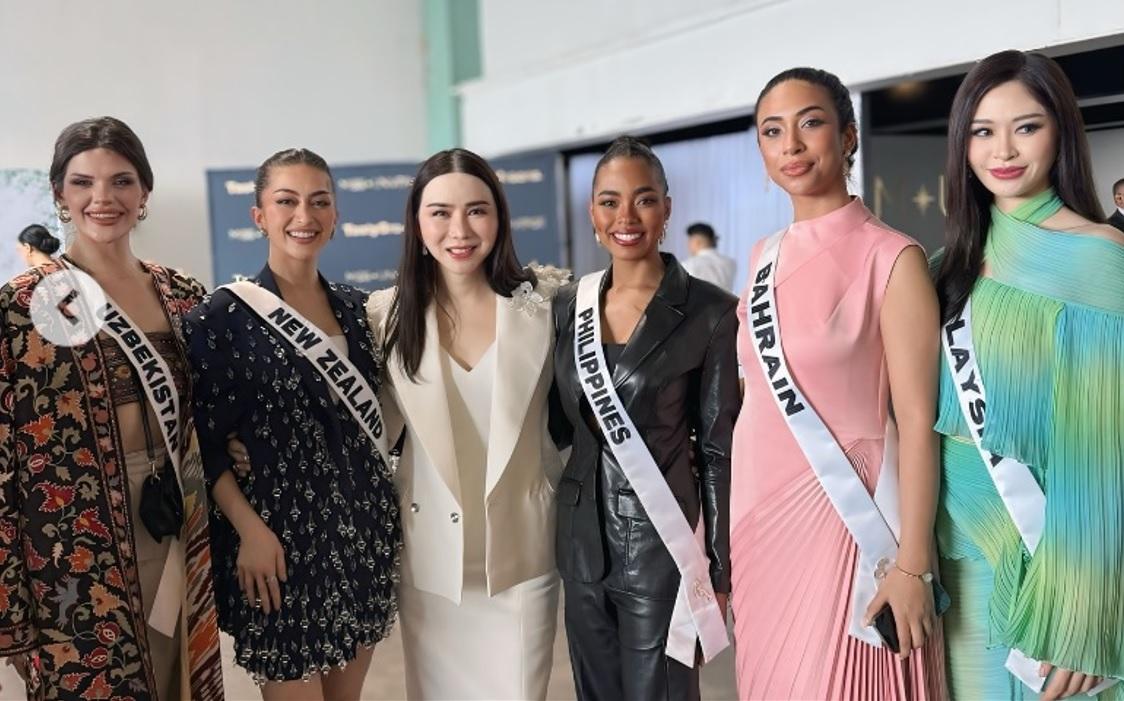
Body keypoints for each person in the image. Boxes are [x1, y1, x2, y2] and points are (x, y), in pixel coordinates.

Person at [729, 68, 947, 699]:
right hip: (759, 522)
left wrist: (912, 562)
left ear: (849, 136)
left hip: (851, 522)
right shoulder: (762, 256)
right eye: (773, 131)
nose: (791, 145)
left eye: (811, 123)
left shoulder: (893, 257)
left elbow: (918, 424)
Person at [0, 116, 224, 699]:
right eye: (83, 183)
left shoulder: (183, 294)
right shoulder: (21, 307)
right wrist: (11, 607)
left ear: (144, 192)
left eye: (121, 182)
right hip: (71, 547)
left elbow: (214, 415)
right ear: (59, 194)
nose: (103, 199)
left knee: (178, 678)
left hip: (178, 520)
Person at [933, 50, 1124, 701]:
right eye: (982, 130)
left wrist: (1087, 609)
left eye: (1027, 126)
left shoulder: (1099, 255)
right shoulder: (947, 264)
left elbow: (1107, 449)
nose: (1002, 149)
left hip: (1065, 570)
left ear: (1061, 131)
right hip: (965, 567)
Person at [184, 148, 400, 698]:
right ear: (259, 215)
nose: (304, 216)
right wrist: (250, 530)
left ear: (335, 214)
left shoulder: (359, 310)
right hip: (277, 543)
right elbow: (204, 446)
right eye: (286, 201)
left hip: (361, 535)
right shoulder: (222, 318)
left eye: (319, 201)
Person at [551, 135, 739, 701]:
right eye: (609, 202)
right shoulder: (567, 305)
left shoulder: (710, 312)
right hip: (581, 545)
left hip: (662, 548)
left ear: (667, 207)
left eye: (644, 199)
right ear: (592, 213)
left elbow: (717, 449)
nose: (626, 217)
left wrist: (720, 570)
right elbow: (560, 428)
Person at [681, 222, 736, 291]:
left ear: (697, 242)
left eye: (689, 241)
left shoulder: (688, 265)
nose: (688, 246)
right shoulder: (730, 263)